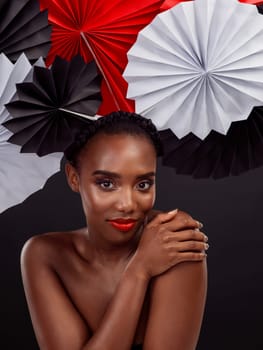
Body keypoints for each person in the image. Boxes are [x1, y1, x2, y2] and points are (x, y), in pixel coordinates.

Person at [21, 111, 208, 350]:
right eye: (106, 184)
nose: (127, 204)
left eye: (143, 184)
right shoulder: (44, 255)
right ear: (74, 178)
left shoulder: (172, 238)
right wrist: (138, 271)